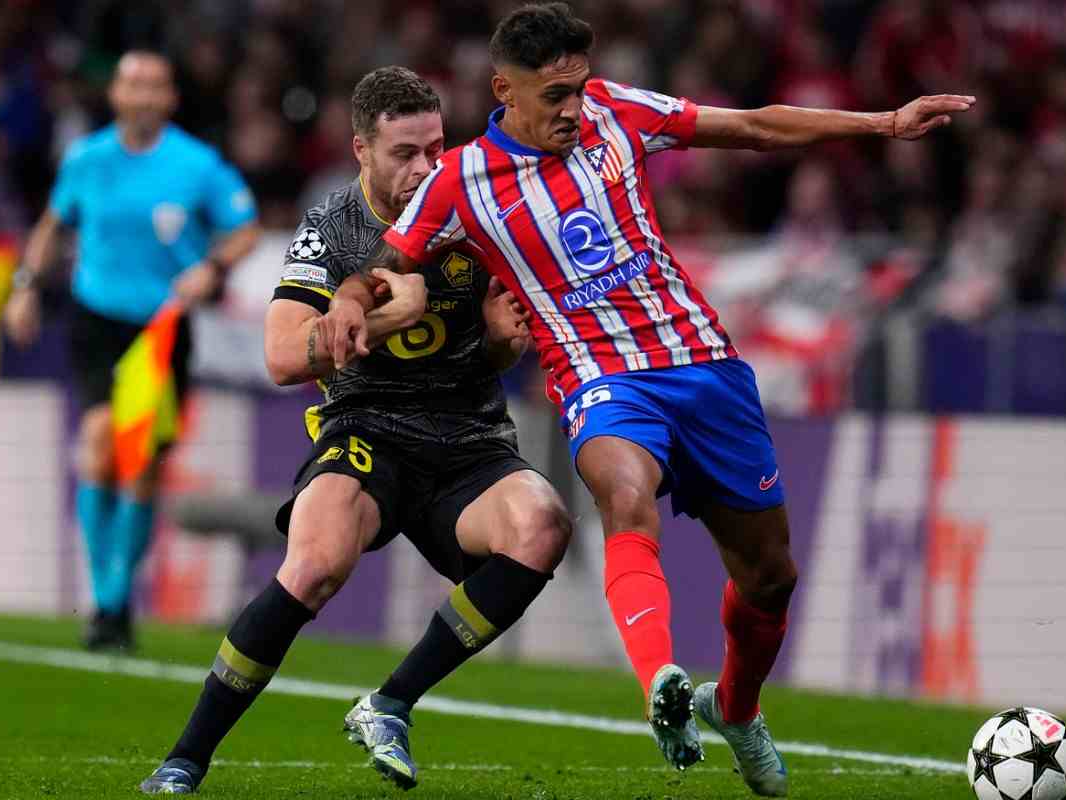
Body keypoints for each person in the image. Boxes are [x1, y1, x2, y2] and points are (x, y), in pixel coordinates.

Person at [321, 4, 973, 796]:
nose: (571, 108)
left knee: (770, 576)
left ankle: (735, 708)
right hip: (599, 378)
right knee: (625, 499)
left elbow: (756, 127)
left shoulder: (617, 112)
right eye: (553, 94)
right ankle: (660, 679)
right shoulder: (459, 181)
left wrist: (884, 123)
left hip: (705, 367)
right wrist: (352, 302)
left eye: (577, 88)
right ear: (504, 90)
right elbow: (386, 263)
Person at [139, 66, 571, 795]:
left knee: (545, 524)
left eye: (436, 147)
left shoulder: (475, 213)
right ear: (362, 152)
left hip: (467, 437)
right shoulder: (335, 227)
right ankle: (186, 758)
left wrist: (502, 341)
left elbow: (500, 341)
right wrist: (383, 318)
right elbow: (281, 355)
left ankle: (390, 703)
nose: (427, 167)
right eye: (405, 153)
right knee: (312, 567)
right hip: (364, 429)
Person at [1, 51, 259, 651]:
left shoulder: (197, 165)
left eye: (153, 85)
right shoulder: (87, 159)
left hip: (162, 329)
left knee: (141, 465)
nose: (141, 94)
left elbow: (244, 229)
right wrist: (24, 289)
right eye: (131, 83)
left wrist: (212, 267)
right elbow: (51, 225)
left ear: (169, 97)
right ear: (115, 93)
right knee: (97, 445)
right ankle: (108, 599)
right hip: (97, 321)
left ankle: (115, 600)